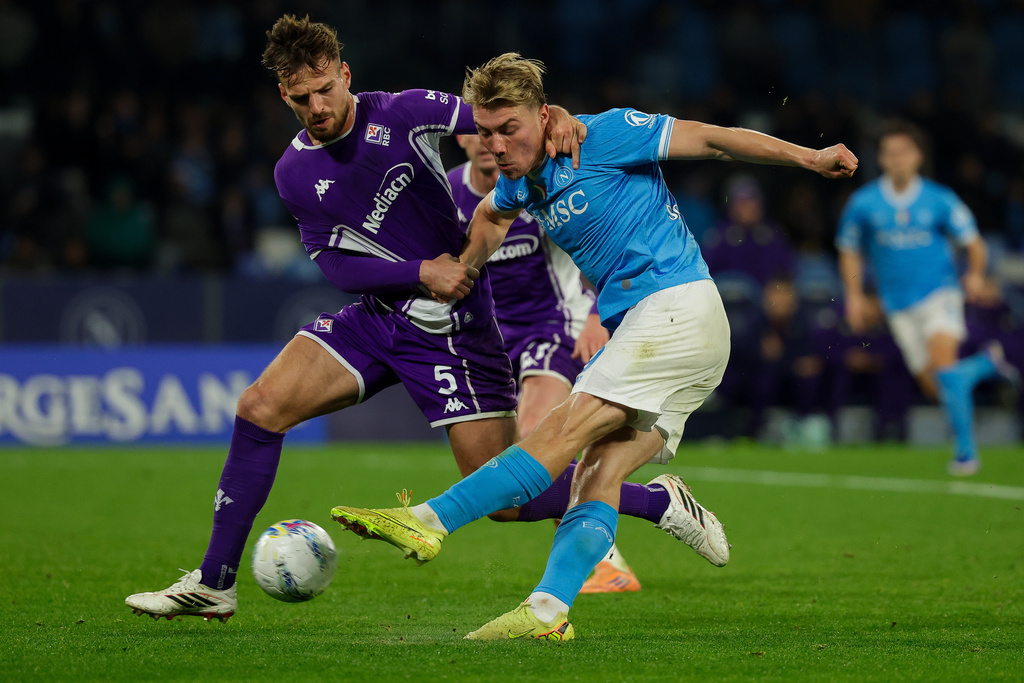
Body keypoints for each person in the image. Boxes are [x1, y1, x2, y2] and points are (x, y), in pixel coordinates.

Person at [123, 16, 682, 624]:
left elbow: (502, 119)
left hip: (453, 330)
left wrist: (561, 114)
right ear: (284, 97)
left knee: (505, 496)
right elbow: (336, 261)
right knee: (259, 407)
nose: (316, 106)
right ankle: (215, 582)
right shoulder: (293, 173)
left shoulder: (404, 112)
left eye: (324, 90)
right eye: (301, 98)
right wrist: (419, 271)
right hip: (378, 317)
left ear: (346, 76)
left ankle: (654, 501)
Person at [331, 52, 858, 641]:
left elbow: (711, 140)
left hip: (676, 308)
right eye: (485, 132)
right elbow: (489, 215)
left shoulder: (603, 134)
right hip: (657, 329)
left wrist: (808, 157)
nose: (498, 145)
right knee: (597, 473)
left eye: (510, 129)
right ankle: (548, 613)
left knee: (558, 435)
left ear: (543, 116)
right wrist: (468, 267)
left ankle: (428, 519)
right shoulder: (519, 181)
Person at [448, 135, 638, 593]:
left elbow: (591, 245)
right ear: (460, 136)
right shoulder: (450, 191)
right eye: (475, 130)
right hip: (491, 336)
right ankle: (610, 528)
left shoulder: (533, 183)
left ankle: (605, 559)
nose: (485, 142)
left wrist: (596, 313)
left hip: (556, 322)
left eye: (494, 131)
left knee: (537, 431)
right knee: (501, 465)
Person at [836, 119, 1019, 476]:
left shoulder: (939, 198)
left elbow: (974, 243)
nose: (897, 159)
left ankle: (966, 453)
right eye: (890, 153)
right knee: (935, 386)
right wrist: (854, 295)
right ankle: (985, 364)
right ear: (882, 159)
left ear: (918, 156)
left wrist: (975, 273)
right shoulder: (864, 203)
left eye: (904, 152)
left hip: (940, 293)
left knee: (945, 366)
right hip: (897, 305)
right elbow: (848, 249)